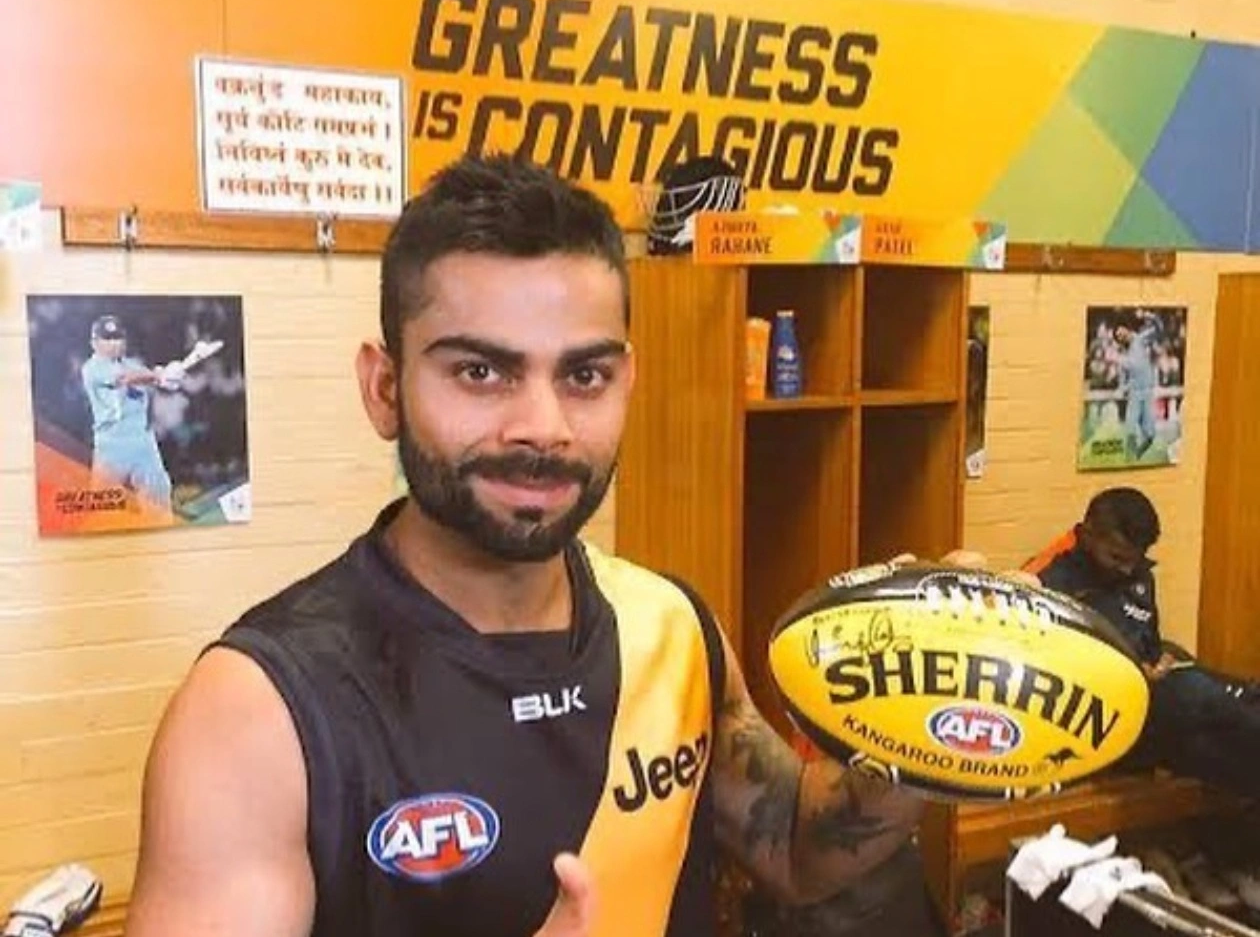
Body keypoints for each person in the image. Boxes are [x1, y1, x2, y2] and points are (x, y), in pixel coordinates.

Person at [125, 154, 944, 937]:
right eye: (481, 373)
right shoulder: (256, 711)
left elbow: (797, 849)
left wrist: (931, 714)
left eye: (584, 376)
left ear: (627, 381)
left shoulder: (672, 630)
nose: (543, 428)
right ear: (385, 389)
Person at [1024, 487, 1260, 798]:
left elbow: (1150, 646)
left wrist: (1158, 660)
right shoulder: (1049, 580)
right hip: (1097, 719)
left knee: (1216, 744)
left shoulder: (1138, 575)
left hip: (1149, 713)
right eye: (1117, 557)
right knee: (1197, 692)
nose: (1126, 569)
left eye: (1134, 560)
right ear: (1088, 534)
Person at [80, 314, 184, 517]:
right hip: (111, 445)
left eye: (118, 338)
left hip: (143, 442)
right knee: (103, 511)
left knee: (159, 504)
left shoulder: (132, 363)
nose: (114, 344)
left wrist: (168, 377)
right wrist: (158, 375)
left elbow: (153, 378)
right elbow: (125, 378)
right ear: (94, 342)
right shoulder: (91, 368)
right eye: (107, 339)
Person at [1112, 311, 1162, 460]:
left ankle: (1137, 455)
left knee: (1150, 435)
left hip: (1147, 393)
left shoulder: (1140, 339)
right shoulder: (1122, 356)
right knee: (1130, 430)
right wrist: (1122, 389)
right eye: (1118, 337)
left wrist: (1149, 316)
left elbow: (1159, 329)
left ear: (1126, 329)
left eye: (1122, 333)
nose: (1121, 337)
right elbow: (1122, 379)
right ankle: (1129, 459)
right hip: (1134, 394)